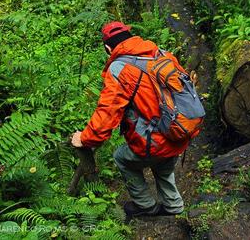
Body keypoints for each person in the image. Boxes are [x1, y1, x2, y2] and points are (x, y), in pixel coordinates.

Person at [71, 21, 194, 218]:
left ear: (108, 48)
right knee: (163, 164)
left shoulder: (120, 68)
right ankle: (174, 206)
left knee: (122, 158)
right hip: (179, 130)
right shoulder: (161, 54)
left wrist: (85, 138)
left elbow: (107, 112)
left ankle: (146, 206)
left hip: (155, 140)